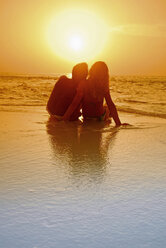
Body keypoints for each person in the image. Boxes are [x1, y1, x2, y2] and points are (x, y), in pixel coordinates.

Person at [63, 61, 123, 126]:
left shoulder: (83, 84)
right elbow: (110, 104)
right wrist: (118, 123)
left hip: (87, 118)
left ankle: (107, 114)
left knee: (103, 106)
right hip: (100, 118)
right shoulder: (103, 86)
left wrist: (64, 119)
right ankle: (108, 116)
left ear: (91, 71)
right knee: (107, 108)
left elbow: (74, 103)